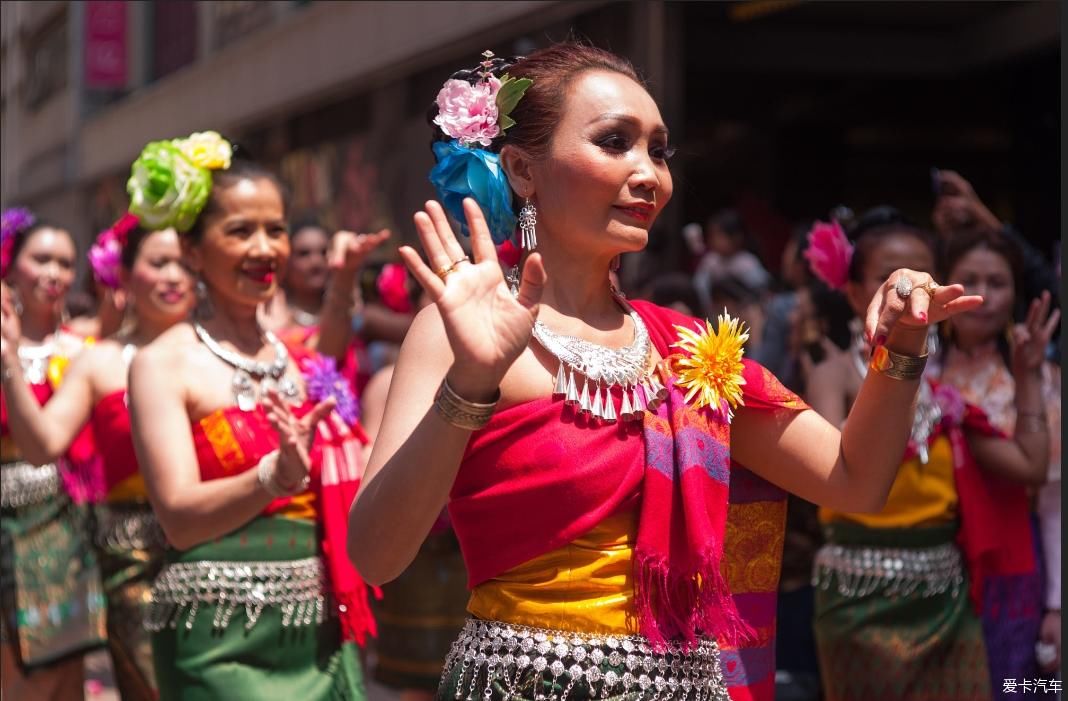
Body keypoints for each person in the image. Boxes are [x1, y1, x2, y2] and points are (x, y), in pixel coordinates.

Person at [348, 43, 983, 701]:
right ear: (521, 168)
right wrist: (471, 383)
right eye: (615, 142)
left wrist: (901, 346)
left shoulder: (689, 350)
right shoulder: (457, 333)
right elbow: (376, 554)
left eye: (658, 150)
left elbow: (855, 479)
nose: (647, 172)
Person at [124, 131, 382, 699]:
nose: (265, 248)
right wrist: (273, 477)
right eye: (240, 231)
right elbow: (179, 519)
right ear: (192, 251)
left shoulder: (300, 357)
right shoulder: (161, 364)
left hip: (319, 632)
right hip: (215, 642)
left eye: (276, 229)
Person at [803, 207, 1051, 700]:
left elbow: (1031, 467)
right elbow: (831, 474)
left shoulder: (943, 389)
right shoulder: (835, 377)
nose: (913, 294)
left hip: (946, 596)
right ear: (855, 292)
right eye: (892, 283)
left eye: (924, 281)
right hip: (857, 598)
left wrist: (1028, 377)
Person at [1, 212, 195, 700]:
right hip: (123, 554)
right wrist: (7, 360)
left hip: (81, 531)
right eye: (40, 259)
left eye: (64, 262)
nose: (173, 276)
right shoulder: (100, 359)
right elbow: (44, 443)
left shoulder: (227, 352)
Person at [935, 228, 1061, 690]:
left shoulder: (1042, 378)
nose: (983, 296)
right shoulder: (919, 369)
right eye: (968, 279)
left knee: (1012, 683)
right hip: (931, 555)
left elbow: (1051, 500)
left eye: (998, 282)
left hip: (1016, 560)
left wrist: (1058, 605)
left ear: (1016, 293)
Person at [0, 208, 106, 700]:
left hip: (65, 527)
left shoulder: (86, 347)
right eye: (41, 259)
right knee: (18, 674)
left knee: (65, 669)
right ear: (11, 265)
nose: (55, 274)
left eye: (65, 263)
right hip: (4, 530)